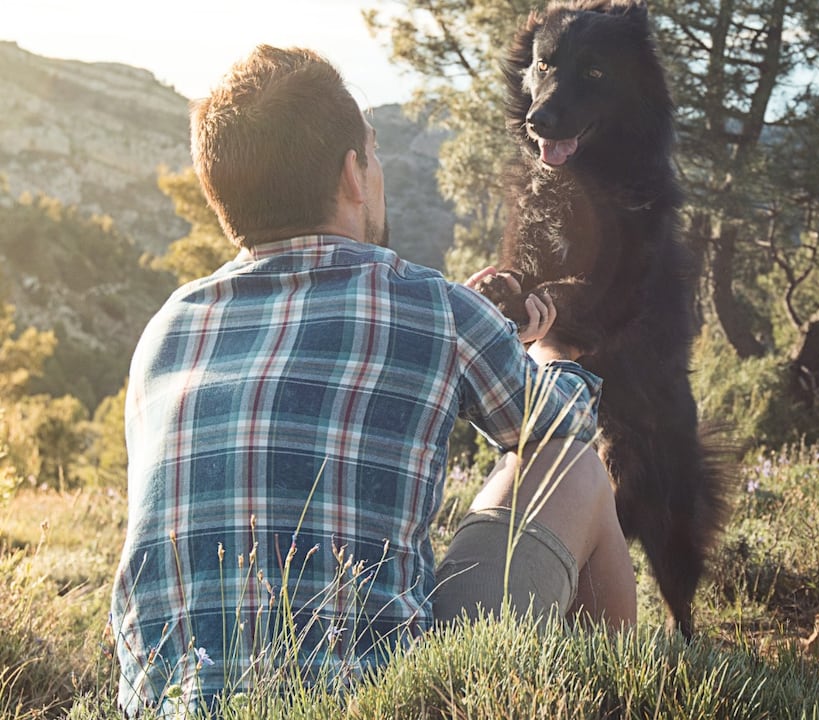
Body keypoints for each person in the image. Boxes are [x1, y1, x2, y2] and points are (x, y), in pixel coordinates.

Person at [109, 45, 636, 715]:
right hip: (378, 707)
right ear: (353, 174)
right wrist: (545, 345)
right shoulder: (431, 305)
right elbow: (562, 427)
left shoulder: (167, 330)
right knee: (571, 468)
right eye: (375, 154)